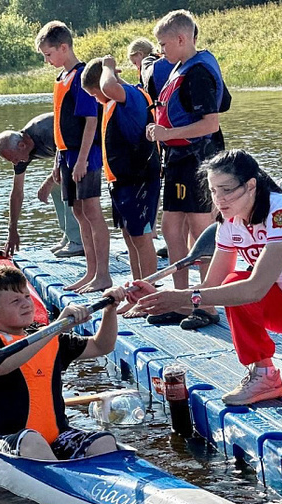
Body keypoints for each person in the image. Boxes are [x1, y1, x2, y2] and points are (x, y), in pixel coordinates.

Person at [128, 149, 282, 406]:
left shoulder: (281, 212)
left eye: (226, 190)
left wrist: (183, 297)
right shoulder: (229, 222)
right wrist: (155, 296)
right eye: (213, 190)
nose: (219, 199)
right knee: (233, 283)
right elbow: (210, 289)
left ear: (251, 185)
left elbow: (255, 290)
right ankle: (265, 375)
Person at [0, 266, 126, 460]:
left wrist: (110, 309)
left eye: (27, 297)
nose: (26, 304)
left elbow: (102, 346)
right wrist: (55, 328)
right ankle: (62, 483)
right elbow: (4, 365)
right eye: (15, 301)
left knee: (104, 441)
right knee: (32, 441)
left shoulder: (49, 337)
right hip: (3, 439)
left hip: (56, 437)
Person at [146, 9, 231, 330]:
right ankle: (182, 300)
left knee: (201, 231)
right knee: (171, 229)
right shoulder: (178, 67)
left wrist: (166, 133)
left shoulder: (197, 73)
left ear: (182, 39)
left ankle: (206, 305)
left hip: (198, 159)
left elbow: (211, 122)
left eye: (164, 44)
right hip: (178, 160)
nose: (161, 50)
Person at [36, 21, 112, 293]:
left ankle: (103, 274)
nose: (47, 60)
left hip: (86, 155)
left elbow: (91, 120)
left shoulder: (81, 77)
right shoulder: (61, 79)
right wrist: (59, 159)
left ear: (63, 47)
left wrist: (81, 160)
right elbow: (60, 123)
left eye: (48, 54)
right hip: (66, 155)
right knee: (79, 212)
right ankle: (91, 273)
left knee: (91, 210)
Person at [81, 56, 161, 318]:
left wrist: (107, 65)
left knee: (141, 237)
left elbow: (108, 87)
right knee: (129, 236)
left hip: (138, 179)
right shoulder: (114, 101)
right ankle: (137, 293)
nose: (96, 99)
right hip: (122, 182)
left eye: (94, 93)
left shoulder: (127, 95)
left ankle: (150, 297)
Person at [0, 113, 83, 257]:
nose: (16, 163)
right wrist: (12, 230)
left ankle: (78, 241)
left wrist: (48, 182)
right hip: (68, 156)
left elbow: (68, 155)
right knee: (56, 184)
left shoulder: (44, 131)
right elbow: (17, 193)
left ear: (22, 145)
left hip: (85, 144)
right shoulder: (21, 152)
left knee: (64, 180)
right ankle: (69, 236)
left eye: (14, 159)